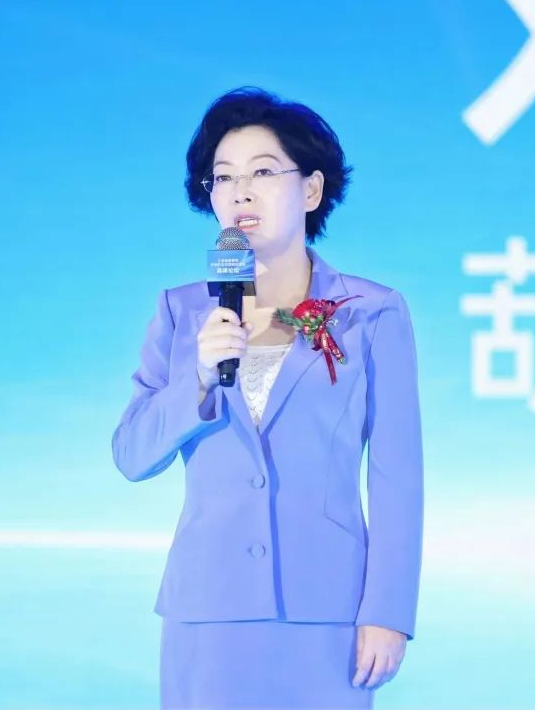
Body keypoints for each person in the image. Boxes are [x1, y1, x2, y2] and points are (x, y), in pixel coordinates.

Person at [111, 86, 424, 709]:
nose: (240, 192)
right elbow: (131, 455)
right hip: (209, 610)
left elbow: (397, 476)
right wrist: (198, 379)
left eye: (262, 172)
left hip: (328, 612)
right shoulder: (182, 312)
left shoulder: (371, 312)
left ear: (311, 189)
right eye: (223, 177)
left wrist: (388, 610)